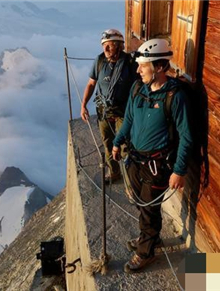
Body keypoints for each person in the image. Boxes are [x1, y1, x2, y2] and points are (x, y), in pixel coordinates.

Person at [112, 39, 193, 273]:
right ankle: (152, 238)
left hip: (157, 165)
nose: (138, 70)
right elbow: (128, 119)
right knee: (140, 202)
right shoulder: (138, 88)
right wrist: (117, 143)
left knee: (148, 208)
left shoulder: (174, 97)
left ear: (158, 67)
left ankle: (145, 252)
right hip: (135, 160)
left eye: (143, 66)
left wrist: (179, 170)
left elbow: (186, 136)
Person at [80, 29, 138, 183]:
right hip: (104, 111)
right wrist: (83, 105)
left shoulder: (130, 64)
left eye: (109, 45)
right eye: (104, 45)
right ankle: (114, 172)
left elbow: (138, 86)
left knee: (124, 145)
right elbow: (91, 83)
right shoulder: (99, 61)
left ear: (119, 46)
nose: (105, 49)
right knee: (108, 143)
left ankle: (130, 180)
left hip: (124, 111)